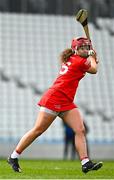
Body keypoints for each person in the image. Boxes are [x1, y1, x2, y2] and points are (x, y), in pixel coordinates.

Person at [7, 37, 103, 173]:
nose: (85, 50)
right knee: (38, 130)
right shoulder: (79, 61)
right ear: (75, 49)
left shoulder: (72, 58)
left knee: (80, 129)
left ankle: (85, 162)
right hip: (54, 99)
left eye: (87, 47)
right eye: (82, 48)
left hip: (66, 101)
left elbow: (90, 66)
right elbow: (94, 70)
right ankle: (13, 157)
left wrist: (92, 57)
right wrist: (94, 57)